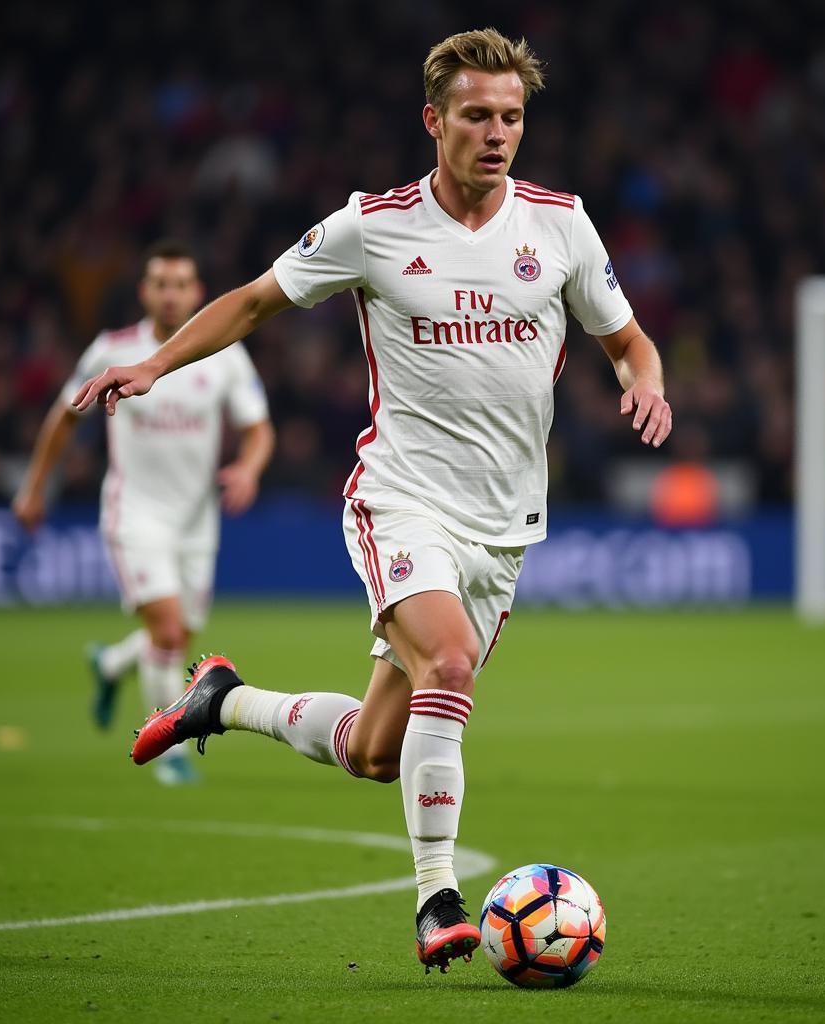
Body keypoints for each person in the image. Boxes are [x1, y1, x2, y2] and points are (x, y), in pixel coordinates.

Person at [73, 29, 672, 970]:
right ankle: (437, 899)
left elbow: (629, 339)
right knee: (451, 661)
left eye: (511, 116)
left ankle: (222, 702)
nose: (497, 133)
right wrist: (152, 361)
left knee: (377, 751)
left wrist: (648, 380)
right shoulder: (374, 225)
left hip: (504, 529)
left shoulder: (560, 225)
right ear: (433, 120)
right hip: (401, 500)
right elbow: (253, 301)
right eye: (477, 115)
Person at [13, 240, 274, 785]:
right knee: (171, 630)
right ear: (145, 291)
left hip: (196, 520)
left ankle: (110, 666)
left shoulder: (222, 353)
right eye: (162, 283)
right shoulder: (113, 349)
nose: (172, 294)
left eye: (182, 284)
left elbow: (259, 429)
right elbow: (65, 417)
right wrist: (35, 488)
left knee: (181, 631)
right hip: (135, 514)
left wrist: (248, 467)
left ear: (198, 292)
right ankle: (171, 749)